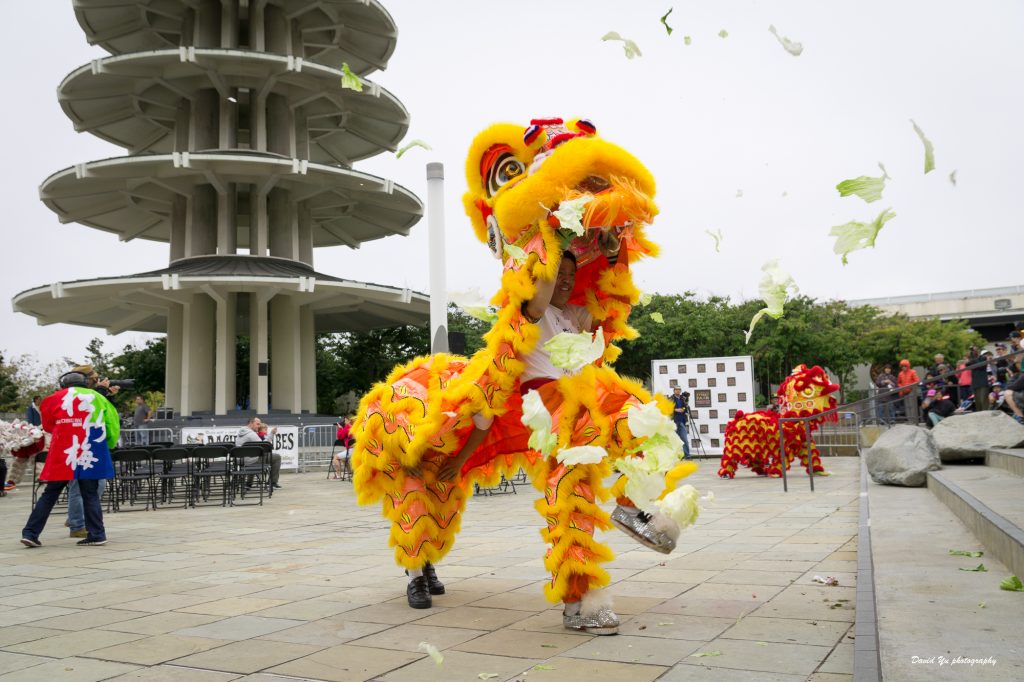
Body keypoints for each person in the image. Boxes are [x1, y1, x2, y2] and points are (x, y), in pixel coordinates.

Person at [21, 370, 118, 547]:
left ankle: (31, 533)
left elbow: (49, 426)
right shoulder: (98, 397)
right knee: (90, 494)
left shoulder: (52, 399)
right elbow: (111, 424)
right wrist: (109, 444)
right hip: (91, 450)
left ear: (63, 384)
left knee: (50, 494)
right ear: (85, 383)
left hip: (64, 452)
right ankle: (97, 534)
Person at [236, 417, 282, 489]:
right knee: (276, 457)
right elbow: (264, 445)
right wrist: (272, 434)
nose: (259, 426)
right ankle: (272, 483)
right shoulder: (251, 434)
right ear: (251, 423)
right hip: (250, 461)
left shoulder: (241, 432)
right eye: (257, 424)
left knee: (254, 455)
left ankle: (248, 483)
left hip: (241, 460)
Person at [669, 387, 692, 458]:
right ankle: (674, 456)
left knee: (684, 439)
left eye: (679, 390)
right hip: (673, 422)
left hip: (682, 421)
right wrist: (675, 410)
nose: (678, 391)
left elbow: (685, 407)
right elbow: (668, 408)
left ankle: (687, 455)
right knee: (673, 440)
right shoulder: (670, 399)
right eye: (676, 389)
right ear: (674, 390)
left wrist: (683, 409)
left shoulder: (683, 398)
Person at [967, 346, 991, 411]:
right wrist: (972, 358)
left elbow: (981, 366)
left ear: (978, 351)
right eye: (972, 351)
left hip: (982, 382)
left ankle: (986, 413)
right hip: (975, 383)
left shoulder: (983, 357)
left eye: (974, 350)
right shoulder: (972, 359)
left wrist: (974, 360)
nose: (973, 352)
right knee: (977, 402)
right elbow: (967, 364)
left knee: (983, 400)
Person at [897, 359, 920, 424]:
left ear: (908, 366)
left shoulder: (913, 372)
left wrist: (910, 386)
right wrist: (901, 388)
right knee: (907, 406)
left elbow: (917, 381)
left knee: (912, 405)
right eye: (902, 366)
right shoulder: (900, 374)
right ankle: (909, 420)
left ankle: (914, 420)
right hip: (904, 391)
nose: (903, 367)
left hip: (911, 391)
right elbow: (899, 382)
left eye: (905, 366)